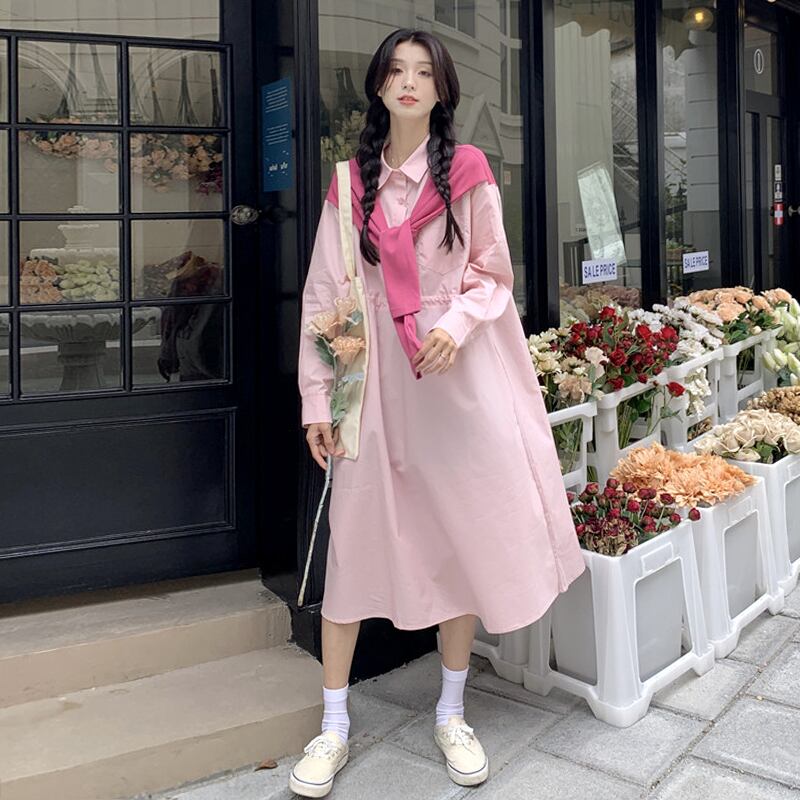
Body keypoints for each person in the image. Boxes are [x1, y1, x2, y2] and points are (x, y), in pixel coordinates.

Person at [291, 27, 585, 798]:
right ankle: (334, 724)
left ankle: (451, 712)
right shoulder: (348, 184)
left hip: (452, 381)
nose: (410, 82)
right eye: (397, 70)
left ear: (442, 88)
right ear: (379, 86)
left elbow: (493, 273)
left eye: (425, 71)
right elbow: (327, 297)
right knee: (353, 543)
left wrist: (453, 325)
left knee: (459, 539)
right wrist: (319, 398)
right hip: (374, 386)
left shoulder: (468, 170)